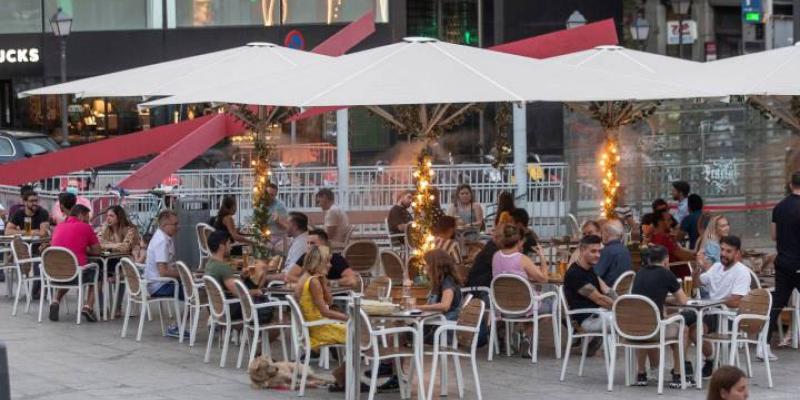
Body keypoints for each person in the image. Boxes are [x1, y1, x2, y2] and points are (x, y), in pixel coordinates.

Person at [685, 235, 752, 378]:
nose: (723, 254)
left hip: (730, 316)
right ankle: (692, 364)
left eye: (729, 251)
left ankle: (707, 363)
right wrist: (696, 272)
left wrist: (714, 302)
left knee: (696, 328)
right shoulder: (716, 267)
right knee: (684, 321)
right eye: (722, 250)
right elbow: (697, 284)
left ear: (737, 253)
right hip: (711, 312)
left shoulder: (742, 271)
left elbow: (736, 301)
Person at [631, 245, 689, 388]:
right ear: (666, 260)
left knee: (644, 324)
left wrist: (665, 298)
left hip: (633, 328)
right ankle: (678, 374)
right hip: (655, 329)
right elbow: (683, 301)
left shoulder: (640, 273)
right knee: (683, 328)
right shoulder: (666, 274)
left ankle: (641, 373)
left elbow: (645, 297)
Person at [294, 245, 350, 393]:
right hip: (320, 329)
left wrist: (324, 281)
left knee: (357, 335)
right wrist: (349, 318)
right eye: (327, 261)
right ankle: (341, 374)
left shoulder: (305, 278)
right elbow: (326, 311)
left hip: (312, 327)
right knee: (361, 337)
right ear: (319, 262)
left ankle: (343, 376)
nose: (330, 265)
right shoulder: (313, 282)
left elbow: (329, 301)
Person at [204, 230, 273, 322]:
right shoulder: (223, 267)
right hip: (231, 309)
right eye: (229, 244)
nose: (231, 247)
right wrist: (256, 291)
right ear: (221, 246)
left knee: (253, 286)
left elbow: (227, 287)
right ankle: (256, 334)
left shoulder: (209, 264)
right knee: (270, 307)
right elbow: (239, 293)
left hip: (217, 309)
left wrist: (241, 277)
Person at [767, 171, 800, 362]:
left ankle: (763, 346)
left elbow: (773, 235)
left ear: (790, 185)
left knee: (777, 304)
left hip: (784, 262)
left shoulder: (779, 207)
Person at [48, 205, 101, 322]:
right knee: (98, 272)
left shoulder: (59, 227)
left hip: (54, 274)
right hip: (74, 274)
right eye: (87, 217)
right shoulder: (85, 227)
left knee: (68, 272)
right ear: (81, 215)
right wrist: (86, 249)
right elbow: (97, 251)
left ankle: (55, 301)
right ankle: (88, 307)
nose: (89, 220)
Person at [563, 235, 614, 355]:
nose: (598, 255)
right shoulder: (575, 274)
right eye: (593, 251)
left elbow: (606, 290)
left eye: (599, 251)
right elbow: (600, 299)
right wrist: (626, 307)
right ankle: (641, 370)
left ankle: (639, 369)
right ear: (582, 250)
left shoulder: (589, 269)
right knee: (630, 322)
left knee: (634, 322)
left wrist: (624, 303)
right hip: (587, 321)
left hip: (599, 314)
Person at [144, 210, 185, 338]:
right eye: (175, 224)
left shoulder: (164, 237)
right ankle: (175, 326)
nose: (178, 227)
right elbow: (163, 272)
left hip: (159, 282)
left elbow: (167, 266)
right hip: (159, 285)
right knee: (194, 293)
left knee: (193, 287)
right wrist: (184, 275)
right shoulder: (161, 241)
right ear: (164, 225)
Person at [285, 229, 358, 287]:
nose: (309, 246)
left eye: (313, 243)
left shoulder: (336, 259)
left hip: (336, 298)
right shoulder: (305, 257)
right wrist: (310, 283)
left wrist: (329, 283)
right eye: (308, 243)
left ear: (325, 245)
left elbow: (352, 280)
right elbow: (289, 277)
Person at [593, 219, 633, 286]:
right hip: (623, 292)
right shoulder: (625, 250)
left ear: (607, 233)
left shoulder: (607, 251)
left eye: (602, 232)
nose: (601, 236)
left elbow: (594, 275)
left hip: (608, 292)